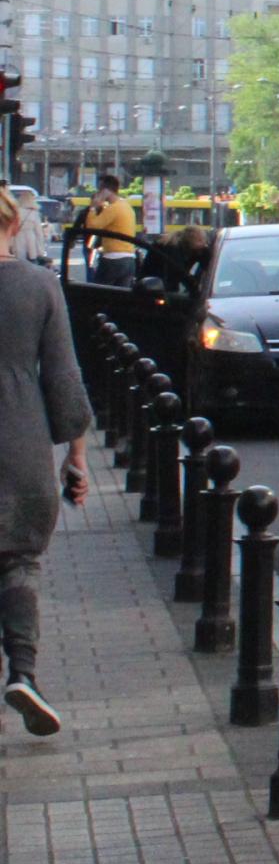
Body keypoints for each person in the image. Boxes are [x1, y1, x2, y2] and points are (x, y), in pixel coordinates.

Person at [0, 189, 88, 736]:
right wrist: (75, 458)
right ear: (14, 226)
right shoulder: (39, 285)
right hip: (21, 440)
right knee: (19, 558)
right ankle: (24, 673)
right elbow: (63, 376)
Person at [79, 176, 139, 286]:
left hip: (113, 258)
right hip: (129, 258)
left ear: (106, 191)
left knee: (100, 291)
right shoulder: (126, 206)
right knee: (121, 293)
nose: (98, 193)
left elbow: (92, 226)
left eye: (100, 190)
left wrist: (93, 207)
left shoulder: (113, 208)